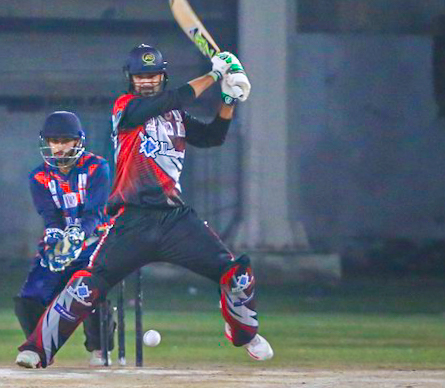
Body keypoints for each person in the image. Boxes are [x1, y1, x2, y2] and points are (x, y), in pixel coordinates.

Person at [15, 45, 273, 369]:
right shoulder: (125, 108)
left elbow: (212, 137)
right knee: (85, 285)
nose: (147, 82)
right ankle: (37, 349)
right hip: (131, 221)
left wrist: (229, 99)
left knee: (237, 275)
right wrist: (215, 75)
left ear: (162, 76)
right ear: (130, 78)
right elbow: (173, 99)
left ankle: (245, 334)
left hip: (175, 220)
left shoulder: (175, 115)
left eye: (152, 75)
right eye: (140, 76)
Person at [13, 110, 114, 366]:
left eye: (64, 140)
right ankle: (39, 350)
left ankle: (99, 349)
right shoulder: (38, 176)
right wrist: (58, 241)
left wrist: (78, 236)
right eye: (53, 141)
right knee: (29, 297)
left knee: (89, 292)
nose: (58, 147)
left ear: (78, 141)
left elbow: (94, 212)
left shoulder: (97, 168)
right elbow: (50, 216)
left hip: (93, 242)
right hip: (61, 243)